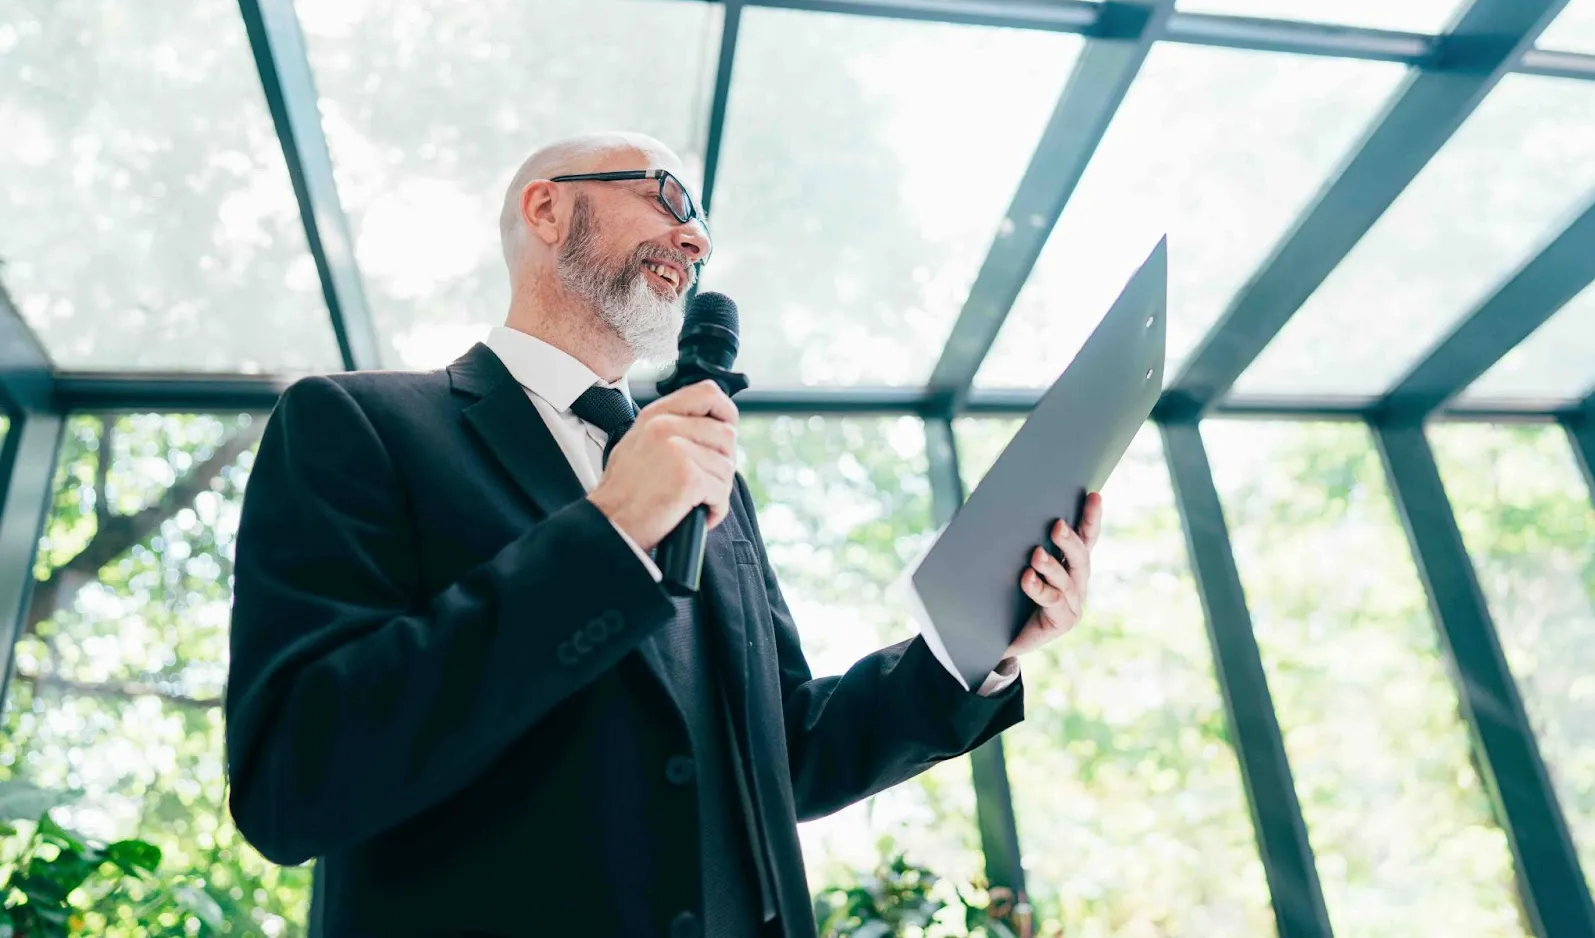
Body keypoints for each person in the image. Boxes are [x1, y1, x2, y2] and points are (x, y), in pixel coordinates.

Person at [224, 132, 1102, 938]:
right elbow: (294, 780)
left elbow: (786, 750)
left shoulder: (714, 481)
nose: (696, 243)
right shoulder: (359, 425)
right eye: (672, 200)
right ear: (548, 207)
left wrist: (977, 641)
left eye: (705, 233)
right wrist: (610, 532)